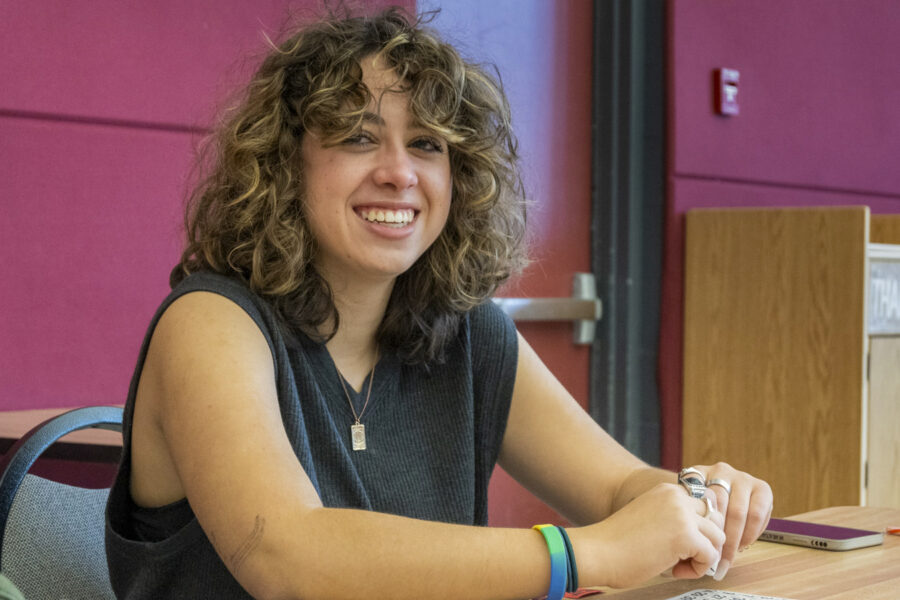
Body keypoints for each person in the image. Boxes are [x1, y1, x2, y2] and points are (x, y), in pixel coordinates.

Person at [105, 7, 773, 599]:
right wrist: (579, 555)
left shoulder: (469, 334)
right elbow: (288, 558)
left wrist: (695, 499)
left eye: (427, 144)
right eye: (358, 136)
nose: (400, 172)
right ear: (286, 165)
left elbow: (617, 488)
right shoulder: (209, 323)